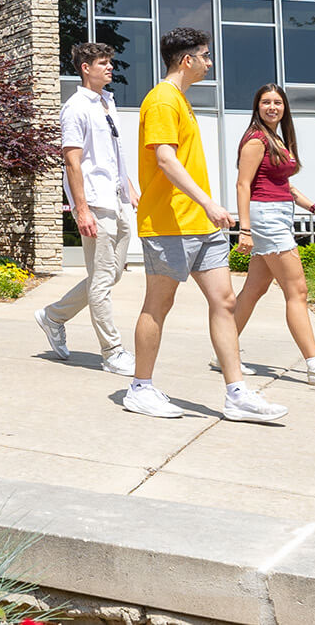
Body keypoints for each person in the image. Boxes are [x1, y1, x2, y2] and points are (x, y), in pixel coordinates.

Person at [123, 27, 288, 423]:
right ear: (187, 60)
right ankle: (140, 388)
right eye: (206, 56)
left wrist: (207, 211)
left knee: (225, 302)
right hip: (169, 222)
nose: (210, 63)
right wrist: (209, 203)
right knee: (159, 304)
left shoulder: (180, 99)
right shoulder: (162, 100)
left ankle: (237, 395)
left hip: (200, 224)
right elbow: (164, 158)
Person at [230, 84, 315, 387]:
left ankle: (225, 350)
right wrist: (244, 230)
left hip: (278, 214)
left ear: (285, 107)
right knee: (297, 291)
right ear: (257, 106)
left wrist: (314, 207)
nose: (272, 107)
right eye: (265, 102)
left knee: (254, 289)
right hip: (267, 219)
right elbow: (242, 185)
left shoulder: (277, 139)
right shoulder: (256, 139)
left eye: (277, 102)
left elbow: (284, 185)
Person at [34, 42, 141, 376]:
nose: (109, 68)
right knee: (101, 281)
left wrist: (130, 184)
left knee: (112, 273)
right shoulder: (75, 107)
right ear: (85, 68)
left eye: (109, 62)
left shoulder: (108, 102)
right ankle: (112, 351)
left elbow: (114, 151)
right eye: (103, 63)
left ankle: (53, 316)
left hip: (118, 197)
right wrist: (81, 209)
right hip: (95, 200)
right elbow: (72, 160)